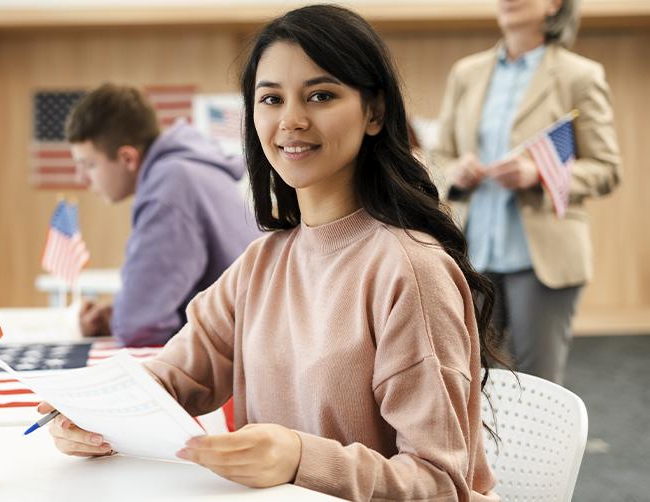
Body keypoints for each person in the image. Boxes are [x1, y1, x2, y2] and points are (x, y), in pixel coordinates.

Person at [41, 6, 502, 501]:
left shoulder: (412, 271)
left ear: (375, 112)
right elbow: (176, 373)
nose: (291, 120)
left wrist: (300, 458)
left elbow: (440, 484)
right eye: (271, 99)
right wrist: (86, 413)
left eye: (321, 95)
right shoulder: (263, 263)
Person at [432, 0, 620, 384]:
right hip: (472, 253)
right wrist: (456, 170)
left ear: (555, 5)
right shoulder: (466, 73)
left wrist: (538, 173)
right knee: (468, 381)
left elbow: (606, 168)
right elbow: (440, 156)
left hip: (543, 260)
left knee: (537, 386)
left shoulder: (579, 76)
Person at [65, 84, 260, 347]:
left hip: (243, 354)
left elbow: (138, 326)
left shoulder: (169, 187)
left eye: (89, 165)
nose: (82, 179)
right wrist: (115, 318)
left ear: (127, 158)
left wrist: (124, 319)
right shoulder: (189, 169)